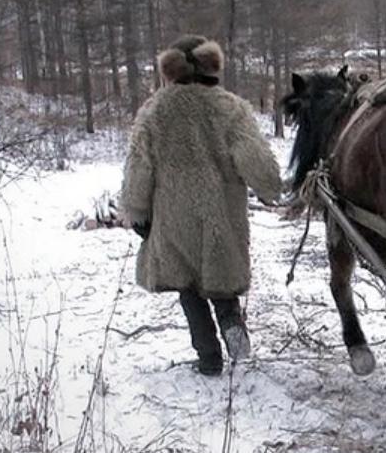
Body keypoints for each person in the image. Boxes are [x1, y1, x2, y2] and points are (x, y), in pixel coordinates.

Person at [120, 35, 282, 375]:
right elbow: (254, 158)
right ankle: (232, 325)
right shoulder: (230, 108)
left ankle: (208, 358)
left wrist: (136, 210)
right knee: (220, 280)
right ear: (210, 65)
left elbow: (139, 165)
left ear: (172, 69)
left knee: (188, 289)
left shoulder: (155, 110)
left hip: (173, 217)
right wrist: (270, 186)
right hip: (220, 212)